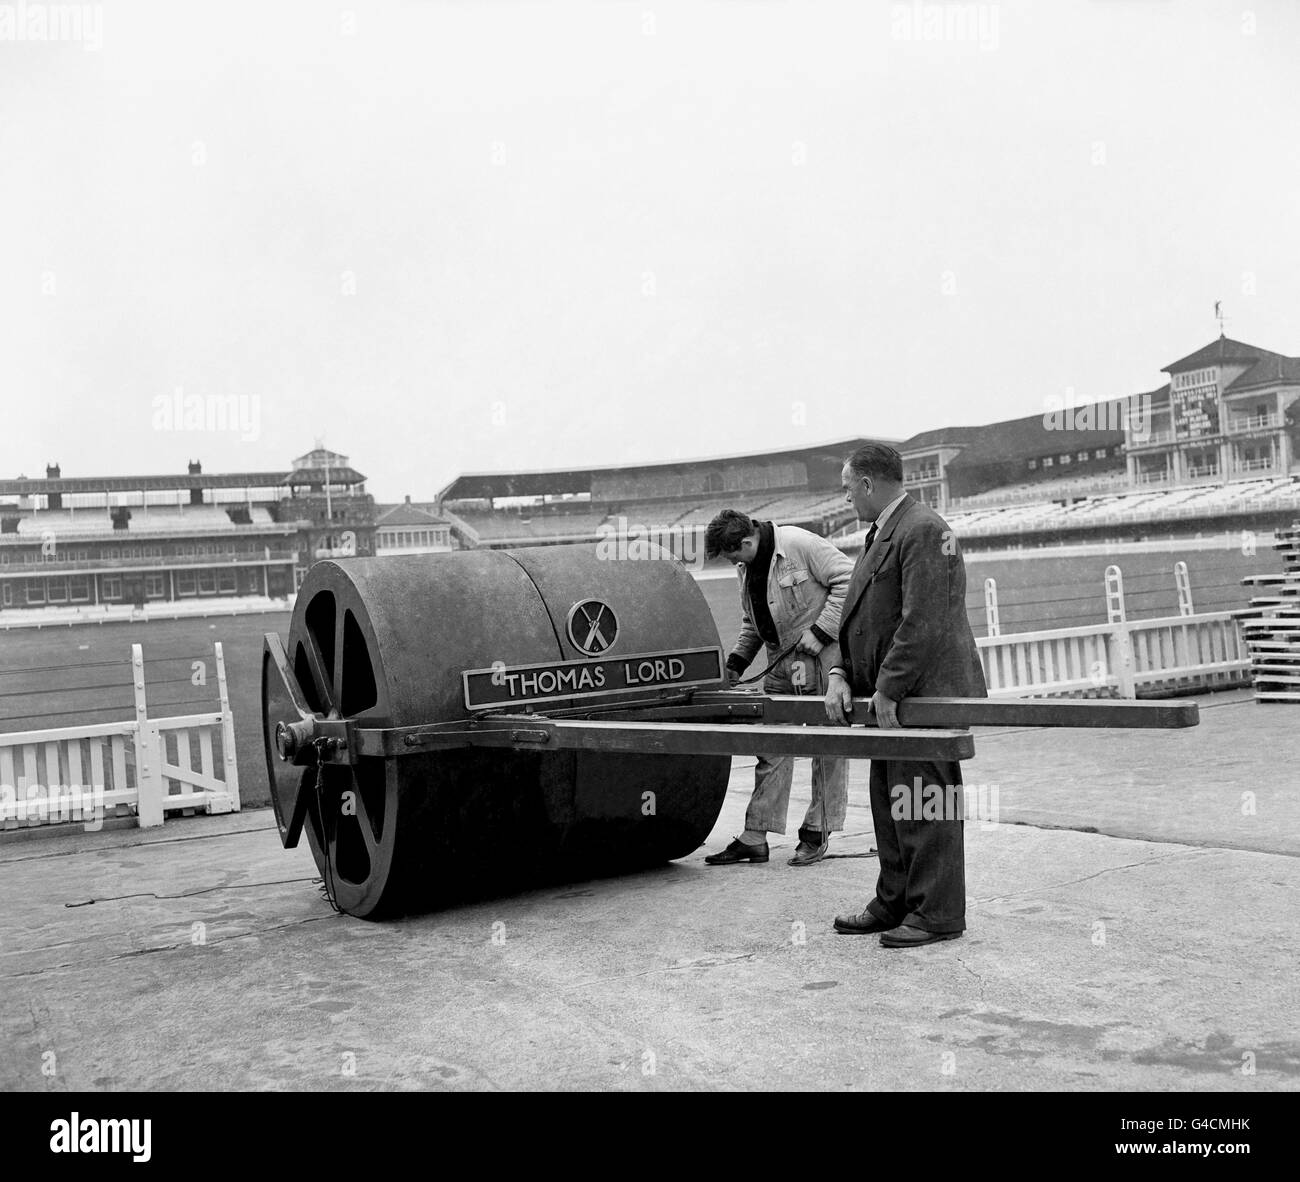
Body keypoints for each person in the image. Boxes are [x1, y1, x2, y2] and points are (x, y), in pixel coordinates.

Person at [824, 443, 987, 947]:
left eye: (849, 489)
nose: (847, 499)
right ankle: (895, 901)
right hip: (890, 701)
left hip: (921, 697)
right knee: (891, 805)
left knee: (925, 805)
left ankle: (936, 912)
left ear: (869, 485)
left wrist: (890, 686)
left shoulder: (923, 529)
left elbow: (925, 619)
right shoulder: (888, 533)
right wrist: (841, 675)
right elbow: (865, 619)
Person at [703, 509, 854, 867]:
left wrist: (821, 632)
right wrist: (736, 664)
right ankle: (755, 836)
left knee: (826, 744)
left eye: (732, 555)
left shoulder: (800, 544)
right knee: (772, 745)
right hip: (780, 662)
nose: (732, 563)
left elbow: (850, 580)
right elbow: (753, 621)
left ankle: (818, 831)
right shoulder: (748, 565)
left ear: (746, 541)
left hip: (820, 660)